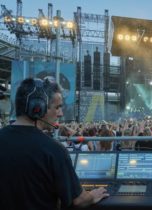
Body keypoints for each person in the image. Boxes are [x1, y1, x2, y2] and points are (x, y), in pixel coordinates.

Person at [0, 78, 109, 209]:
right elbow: (78, 200)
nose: (61, 113)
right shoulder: (54, 150)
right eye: (57, 107)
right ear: (37, 108)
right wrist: (92, 195)